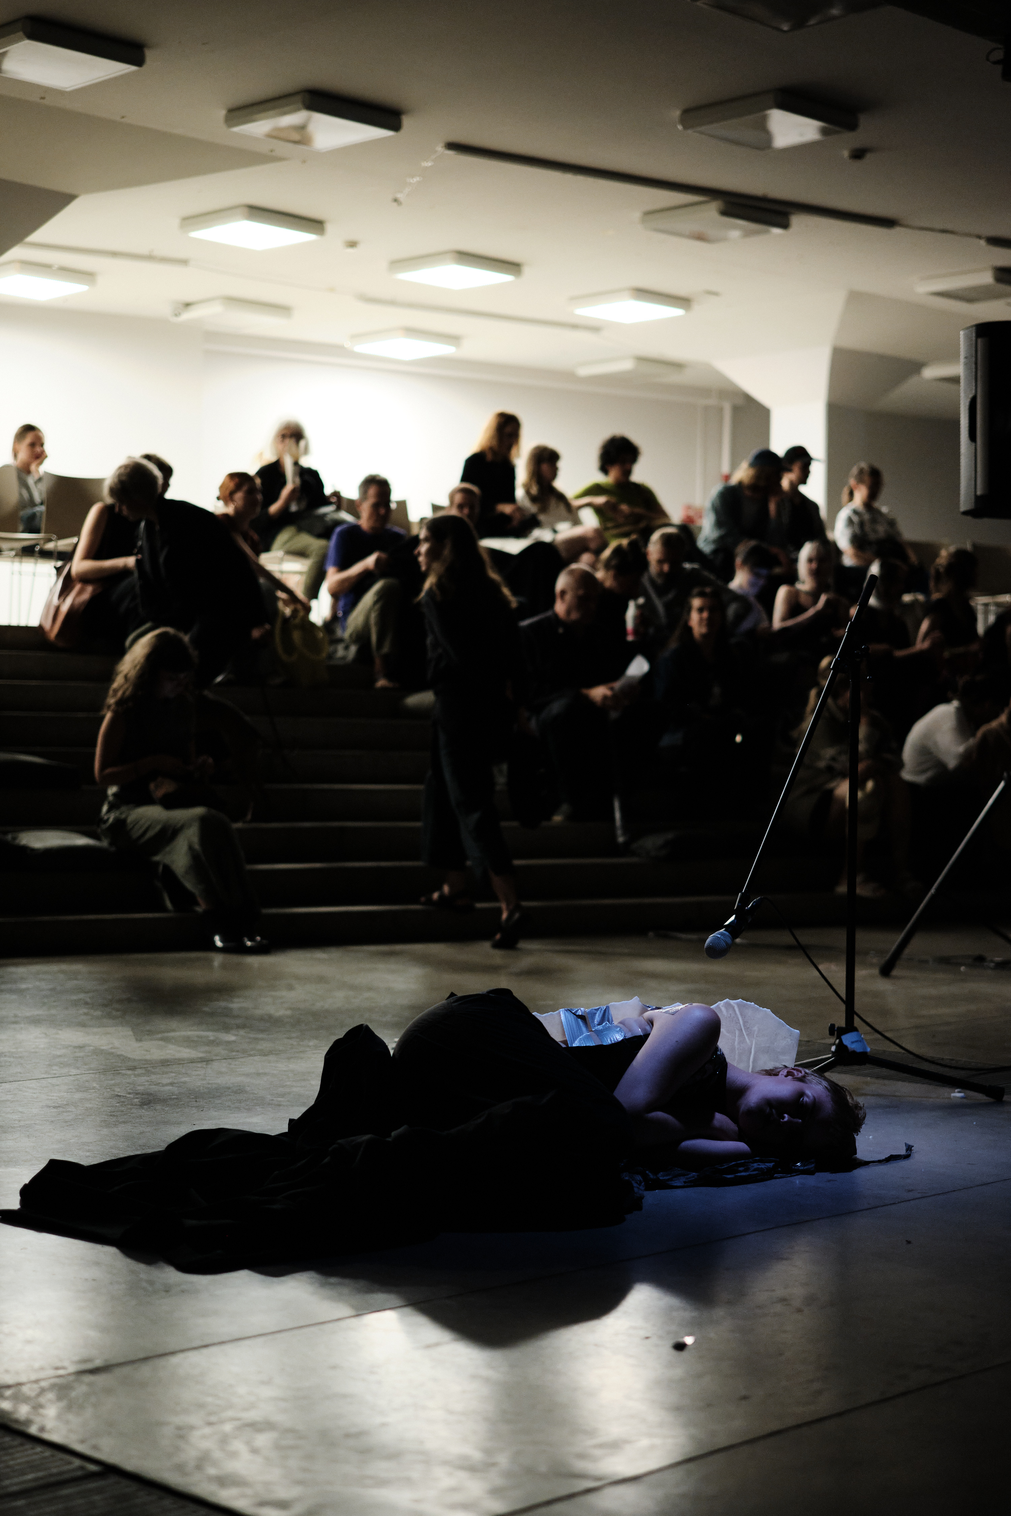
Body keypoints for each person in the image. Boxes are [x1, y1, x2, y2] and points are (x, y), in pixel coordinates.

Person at [394, 993, 865, 1166]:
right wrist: (699, 1124)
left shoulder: (729, 1139)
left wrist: (728, 1139)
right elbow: (618, 1121)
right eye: (802, 1107)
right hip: (468, 1034)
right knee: (597, 1125)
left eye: (794, 1140)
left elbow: (625, 1147)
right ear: (791, 1073)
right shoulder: (700, 1027)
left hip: (454, 1089)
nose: (787, 1123)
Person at [95, 627, 268, 953]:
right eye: (171, 678)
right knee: (198, 823)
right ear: (149, 674)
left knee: (216, 822)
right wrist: (151, 763)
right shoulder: (124, 711)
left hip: (169, 801)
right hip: (125, 812)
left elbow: (185, 763)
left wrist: (198, 767)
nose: (179, 685)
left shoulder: (183, 707)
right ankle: (217, 918)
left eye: (184, 678)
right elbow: (102, 774)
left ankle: (245, 918)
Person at [416, 514, 527, 949]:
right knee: (441, 788)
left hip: (458, 708)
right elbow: (514, 659)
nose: (418, 550)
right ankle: (455, 886)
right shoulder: (495, 594)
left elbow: (458, 654)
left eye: (425, 541)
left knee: (471, 802)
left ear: (444, 547)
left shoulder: (439, 593)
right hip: (491, 708)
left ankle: (509, 903)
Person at [109, 457, 269, 686]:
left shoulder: (190, 520)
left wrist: (257, 620)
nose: (118, 509)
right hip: (184, 617)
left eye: (121, 502)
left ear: (136, 497)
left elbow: (238, 567)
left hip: (212, 616)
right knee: (136, 643)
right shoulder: (146, 529)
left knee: (177, 660)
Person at [782, 656, 913, 895]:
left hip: (851, 792)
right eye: (864, 680)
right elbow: (852, 766)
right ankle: (850, 877)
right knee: (866, 788)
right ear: (845, 688)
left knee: (896, 783)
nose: (870, 686)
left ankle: (901, 873)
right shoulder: (819, 722)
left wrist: (874, 761)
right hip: (814, 802)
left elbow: (896, 760)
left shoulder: (873, 718)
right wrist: (865, 730)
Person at [520, 565, 632, 821]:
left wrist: (621, 689)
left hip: (593, 709)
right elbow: (530, 691)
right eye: (584, 599)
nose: (592, 606)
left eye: (595, 600)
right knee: (566, 712)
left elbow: (608, 675)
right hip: (547, 714)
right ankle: (570, 798)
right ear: (561, 595)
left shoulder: (598, 635)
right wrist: (586, 694)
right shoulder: (530, 635)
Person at [653, 586, 767, 809]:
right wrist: (702, 716)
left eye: (713, 610)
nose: (707, 616)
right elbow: (669, 704)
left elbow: (738, 696)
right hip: (683, 730)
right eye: (700, 610)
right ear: (689, 619)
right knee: (709, 734)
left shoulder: (729, 656)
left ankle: (752, 806)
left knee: (757, 728)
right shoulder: (674, 659)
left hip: (721, 722)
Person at [324, 475, 408, 688]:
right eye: (376, 505)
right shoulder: (345, 535)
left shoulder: (398, 538)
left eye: (388, 505)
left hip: (392, 614)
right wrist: (366, 565)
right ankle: (381, 672)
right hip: (354, 621)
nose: (383, 512)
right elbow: (332, 587)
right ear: (359, 505)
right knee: (387, 587)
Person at [251, 421, 338, 601]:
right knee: (322, 549)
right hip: (278, 534)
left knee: (344, 541)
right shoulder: (266, 475)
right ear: (275, 442)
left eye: (295, 437)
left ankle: (334, 607)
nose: (289, 442)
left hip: (308, 530)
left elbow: (320, 511)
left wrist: (332, 503)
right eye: (283, 437)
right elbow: (255, 520)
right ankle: (303, 605)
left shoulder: (311, 475)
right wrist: (282, 502)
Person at [215, 472, 311, 618]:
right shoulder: (222, 524)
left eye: (259, 492)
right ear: (230, 497)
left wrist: (283, 598)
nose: (258, 497)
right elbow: (254, 566)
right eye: (250, 492)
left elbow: (253, 578)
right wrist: (293, 595)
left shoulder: (252, 538)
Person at [697, 449, 796, 581]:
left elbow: (776, 543)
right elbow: (723, 535)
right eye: (778, 474)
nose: (781, 480)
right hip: (717, 553)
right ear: (764, 474)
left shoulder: (768, 502)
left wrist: (774, 513)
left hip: (751, 555)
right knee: (725, 558)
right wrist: (767, 549)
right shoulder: (724, 494)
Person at [636, 526, 737, 652]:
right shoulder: (636, 581)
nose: (667, 569)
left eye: (674, 562)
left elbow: (735, 601)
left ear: (683, 556)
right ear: (648, 554)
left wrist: (715, 627)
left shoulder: (693, 576)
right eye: (660, 562)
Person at [68, 499, 142, 649]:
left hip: (127, 600)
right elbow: (79, 569)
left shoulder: (153, 517)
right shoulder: (105, 511)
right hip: (96, 596)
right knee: (138, 587)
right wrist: (126, 563)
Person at [833, 463, 913, 599]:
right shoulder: (848, 516)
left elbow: (901, 542)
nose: (876, 491)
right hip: (862, 571)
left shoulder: (885, 515)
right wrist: (882, 565)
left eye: (879, 486)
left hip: (889, 567)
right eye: (872, 486)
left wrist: (913, 561)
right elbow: (853, 553)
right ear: (855, 485)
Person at [571, 435, 670, 545]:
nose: (628, 467)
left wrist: (639, 514)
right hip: (613, 548)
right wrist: (592, 501)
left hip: (644, 544)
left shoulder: (642, 489)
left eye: (631, 462)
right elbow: (564, 505)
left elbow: (666, 520)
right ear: (608, 465)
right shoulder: (597, 488)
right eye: (622, 462)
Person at [515, 444, 605, 561]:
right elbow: (528, 531)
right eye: (552, 464)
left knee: (588, 559)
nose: (557, 468)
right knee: (592, 532)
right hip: (545, 544)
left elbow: (576, 523)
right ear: (537, 466)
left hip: (566, 539)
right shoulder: (523, 496)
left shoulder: (560, 497)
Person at [460, 412, 524, 537]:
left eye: (516, 436)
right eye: (509, 435)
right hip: (477, 529)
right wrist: (498, 507)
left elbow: (510, 501)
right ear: (495, 435)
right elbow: (465, 501)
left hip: (502, 530)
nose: (513, 441)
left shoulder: (508, 467)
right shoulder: (475, 462)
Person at [772, 539, 849, 644]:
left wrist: (842, 635)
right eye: (810, 561)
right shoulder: (789, 592)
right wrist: (816, 611)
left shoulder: (838, 602)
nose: (816, 566)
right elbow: (777, 631)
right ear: (801, 564)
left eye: (822, 561)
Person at [918, 547, 979, 652]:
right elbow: (921, 647)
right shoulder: (940, 607)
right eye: (973, 570)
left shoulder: (966, 607)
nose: (976, 575)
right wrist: (966, 649)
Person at [779, 446, 829, 549]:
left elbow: (822, 539)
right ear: (788, 467)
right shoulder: (775, 503)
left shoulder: (812, 506)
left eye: (809, 466)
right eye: (804, 467)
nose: (808, 471)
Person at [11, 423, 46, 531]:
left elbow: (49, 506)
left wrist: (36, 471)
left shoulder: (36, 478)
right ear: (16, 446)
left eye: (42, 445)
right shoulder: (7, 475)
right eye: (32, 445)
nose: (39, 450)